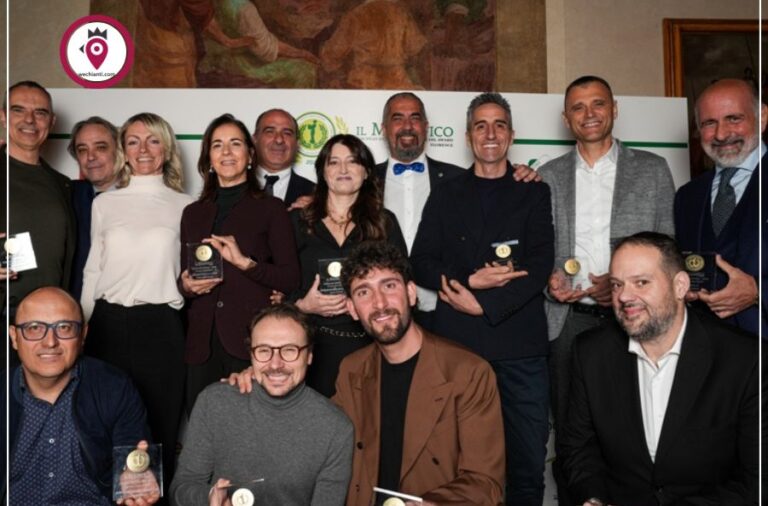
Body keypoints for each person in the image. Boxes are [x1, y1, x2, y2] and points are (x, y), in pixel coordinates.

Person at [536, 75, 676, 501]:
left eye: (598, 103)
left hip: (637, 316)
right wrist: (549, 279)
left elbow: (668, 245)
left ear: (614, 109)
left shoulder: (652, 169)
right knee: (571, 427)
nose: (589, 114)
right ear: (566, 119)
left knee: (640, 419)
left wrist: (618, 287)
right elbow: (538, 249)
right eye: (578, 107)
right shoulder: (547, 176)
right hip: (568, 320)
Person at [411, 92, 554, 505]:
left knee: (526, 466)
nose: (490, 134)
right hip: (458, 346)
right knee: (456, 466)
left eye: (499, 125)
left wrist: (484, 304)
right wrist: (468, 280)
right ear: (468, 135)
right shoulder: (445, 193)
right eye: (481, 125)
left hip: (520, 349)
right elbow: (420, 262)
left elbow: (540, 265)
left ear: (511, 134)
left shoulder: (534, 191)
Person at [560, 232, 757, 505]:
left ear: (680, 286)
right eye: (616, 284)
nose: (624, 296)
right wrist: (593, 498)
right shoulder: (591, 352)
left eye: (641, 282)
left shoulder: (746, 359)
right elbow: (578, 449)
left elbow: (757, 483)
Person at [335, 241, 505, 506]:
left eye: (389, 286)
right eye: (364, 292)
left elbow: (486, 482)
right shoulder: (351, 369)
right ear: (352, 309)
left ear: (411, 293)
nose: (379, 303)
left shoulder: (469, 372)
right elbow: (321, 444)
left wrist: (432, 504)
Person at [81, 112, 194, 488]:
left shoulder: (188, 206)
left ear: (167, 148)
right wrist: (82, 327)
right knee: (101, 422)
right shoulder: (104, 204)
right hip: (106, 325)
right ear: (123, 151)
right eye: (133, 141)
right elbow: (93, 270)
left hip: (161, 326)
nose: (143, 149)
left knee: (158, 427)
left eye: (153, 140)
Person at [376, 92, 539, 331]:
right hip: (384, 311)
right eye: (398, 118)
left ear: (426, 127)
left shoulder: (456, 180)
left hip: (447, 309)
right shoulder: (363, 181)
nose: (407, 126)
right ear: (384, 129)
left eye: (415, 118)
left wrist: (523, 175)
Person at [171, 304, 353, 506]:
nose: (275, 364)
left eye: (289, 350)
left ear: (309, 355)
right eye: (264, 351)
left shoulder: (335, 427)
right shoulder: (214, 402)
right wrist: (209, 497)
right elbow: (181, 489)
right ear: (251, 354)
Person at [179, 113, 300, 411]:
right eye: (217, 145)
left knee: (250, 429)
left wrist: (246, 263)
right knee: (203, 428)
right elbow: (185, 279)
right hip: (202, 345)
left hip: (249, 342)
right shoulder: (192, 213)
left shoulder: (271, 208)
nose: (227, 152)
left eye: (235, 143)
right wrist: (186, 286)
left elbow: (290, 278)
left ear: (250, 155)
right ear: (208, 157)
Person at [5, 287, 158, 505]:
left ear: (83, 335)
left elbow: (133, 459)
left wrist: (134, 480)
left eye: (64, 327)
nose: (50, 342)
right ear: (14, 337)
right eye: (34, 328)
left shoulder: (114, 387)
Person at [290, 134, 407, 398]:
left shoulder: (384, 222)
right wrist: (302, 305)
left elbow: (402, 281)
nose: (343, 169)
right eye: (334, 162)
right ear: (323, 172)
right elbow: (274, 284)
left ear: (366, 172)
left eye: (352, 161)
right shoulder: (297, 221)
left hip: (372, 345)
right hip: (311, 347)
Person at [674, 78, 764, 335]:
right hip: (707, 344)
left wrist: (758, 291)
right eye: (709, 123)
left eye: (733, 119)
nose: (721, 134)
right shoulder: (687, 196)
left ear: (762, 117)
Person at [3, 81, 76, 319]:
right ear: (3, 116)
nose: (29, 120)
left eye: (40, 113)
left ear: (51, 122)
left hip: (51, 319)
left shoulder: (62, 184)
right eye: (18, 110)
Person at [67, 116, 121, 299]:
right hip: (73, 305)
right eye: (82, 150)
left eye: (101, 147)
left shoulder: (141, 197)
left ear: (119, 151)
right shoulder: (65, 194)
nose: (90, 157)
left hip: (125, 307)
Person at [252, 108, 315, 207]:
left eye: (287, 133)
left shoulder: (316, 194)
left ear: (297, 143)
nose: (279, 140)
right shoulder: (234, 186)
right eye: (270, 131)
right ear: (254, 139)